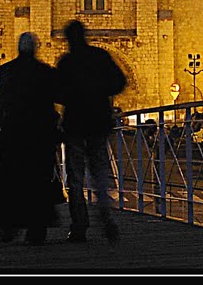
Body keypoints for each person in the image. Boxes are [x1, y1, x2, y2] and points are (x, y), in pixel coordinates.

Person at [0, 32, 61, 245]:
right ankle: (37, 229)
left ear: (19, 48)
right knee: (38, 181)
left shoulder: (7, 71)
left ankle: (8, 225)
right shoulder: (44, 72)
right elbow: (55, 101)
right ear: (35, 48)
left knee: (10, 180)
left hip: (13, 135)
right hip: (39, 136)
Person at [55, 20, 127, 243]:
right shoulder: (100, 56)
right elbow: (120, 82)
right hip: (98, 122)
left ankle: (79, 226)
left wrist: (73, 98)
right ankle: (106, 219)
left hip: (75, 125)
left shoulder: (67, 62)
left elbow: (57, 92)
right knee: (100, 175)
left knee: (75, 178)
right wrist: (100, 94)